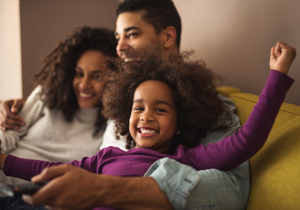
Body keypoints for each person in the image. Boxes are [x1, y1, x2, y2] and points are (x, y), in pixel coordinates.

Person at [0, 0, 258, 209]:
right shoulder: (120, 102)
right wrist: (19, 107)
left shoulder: (205, 106)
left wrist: (107, 190)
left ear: (168, 36)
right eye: (117, 37)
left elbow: (231, 190)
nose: (120, 48)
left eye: (131, 34)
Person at [0, 26, 118, 187]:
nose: (84, 85)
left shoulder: (112, 127)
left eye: (96, 77)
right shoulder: (48, 95)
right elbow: (7, 137)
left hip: (34, 199)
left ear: (115, 81)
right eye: (78, 73)